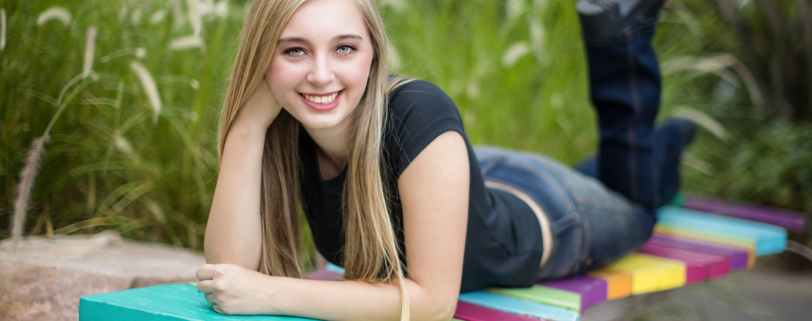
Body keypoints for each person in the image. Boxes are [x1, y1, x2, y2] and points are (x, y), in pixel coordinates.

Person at [195, 0, 696, 320]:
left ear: (373, 53)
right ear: (263, 61)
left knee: (639, 202)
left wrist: (270, 293)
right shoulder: (285, 129)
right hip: (458, 172)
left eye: (344, 48)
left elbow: (433, 303)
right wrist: (247, 124)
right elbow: (229, 272)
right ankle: (665, 144)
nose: (321, 75)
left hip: (552, 212)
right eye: (295, 51)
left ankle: (620, 38)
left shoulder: (418, 112)